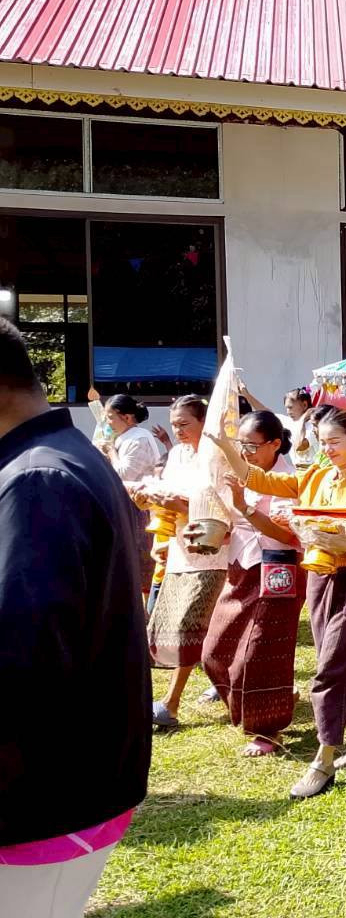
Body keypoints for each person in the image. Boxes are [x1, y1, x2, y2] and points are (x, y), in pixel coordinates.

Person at [0, 320, 149, 913]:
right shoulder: (54, 459)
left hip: (43, 796)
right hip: (71, 781)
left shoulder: (38, 479)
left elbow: (20, 665)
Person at [209, 410, 346, 800]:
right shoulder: (315, 476)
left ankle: (323, 759)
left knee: (328, 669)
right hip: (319, 577)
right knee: (339, 664)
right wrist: (226, 444)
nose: (328, 451)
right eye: (323, 443)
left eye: (334, 443)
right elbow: (259, 477)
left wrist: (345, 539)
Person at [200, 411, 306, 757]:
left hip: (278, 567)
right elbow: (228, 519)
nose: (244, 451)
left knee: (262, 652)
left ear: (275, 444)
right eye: (240, 444)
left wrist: (246, 508)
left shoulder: (286, 478)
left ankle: (268, 728)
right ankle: (270, 698)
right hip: (241, 564)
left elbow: (288, 534)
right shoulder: (238, 471)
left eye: (251, 445)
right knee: (214, 650)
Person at [147, 395, 232, 729]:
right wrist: (162, 536)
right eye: (174, 424)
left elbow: (225, 507)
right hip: (182, 548)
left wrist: (185, 507)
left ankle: (172, 701)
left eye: (185, 424)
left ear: (203, 422)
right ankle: (233, 690)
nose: (178, 430)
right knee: (196, 627)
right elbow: (167, 496)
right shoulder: (179, 453)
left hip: (214, 551)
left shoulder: (220, 454)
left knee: (190, 624)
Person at [100, 394, 165, 596]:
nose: (108, 423)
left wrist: (111, 452)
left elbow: (123, 474)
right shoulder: (126, 437)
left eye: (111, 417)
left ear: (127, 418)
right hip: (125, 504)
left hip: (139, 506)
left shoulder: (139, 438)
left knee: (138, 558)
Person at [280, 387, 317, 466]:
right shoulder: (289, 422)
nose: (288, 412)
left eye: (290, 407)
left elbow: (300, 446)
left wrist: (302, 420)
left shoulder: (315, 425)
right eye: (286, 408)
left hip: (315, 473)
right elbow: (267, 414)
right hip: (299, 473)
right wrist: (247, 396)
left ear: (304, 405)